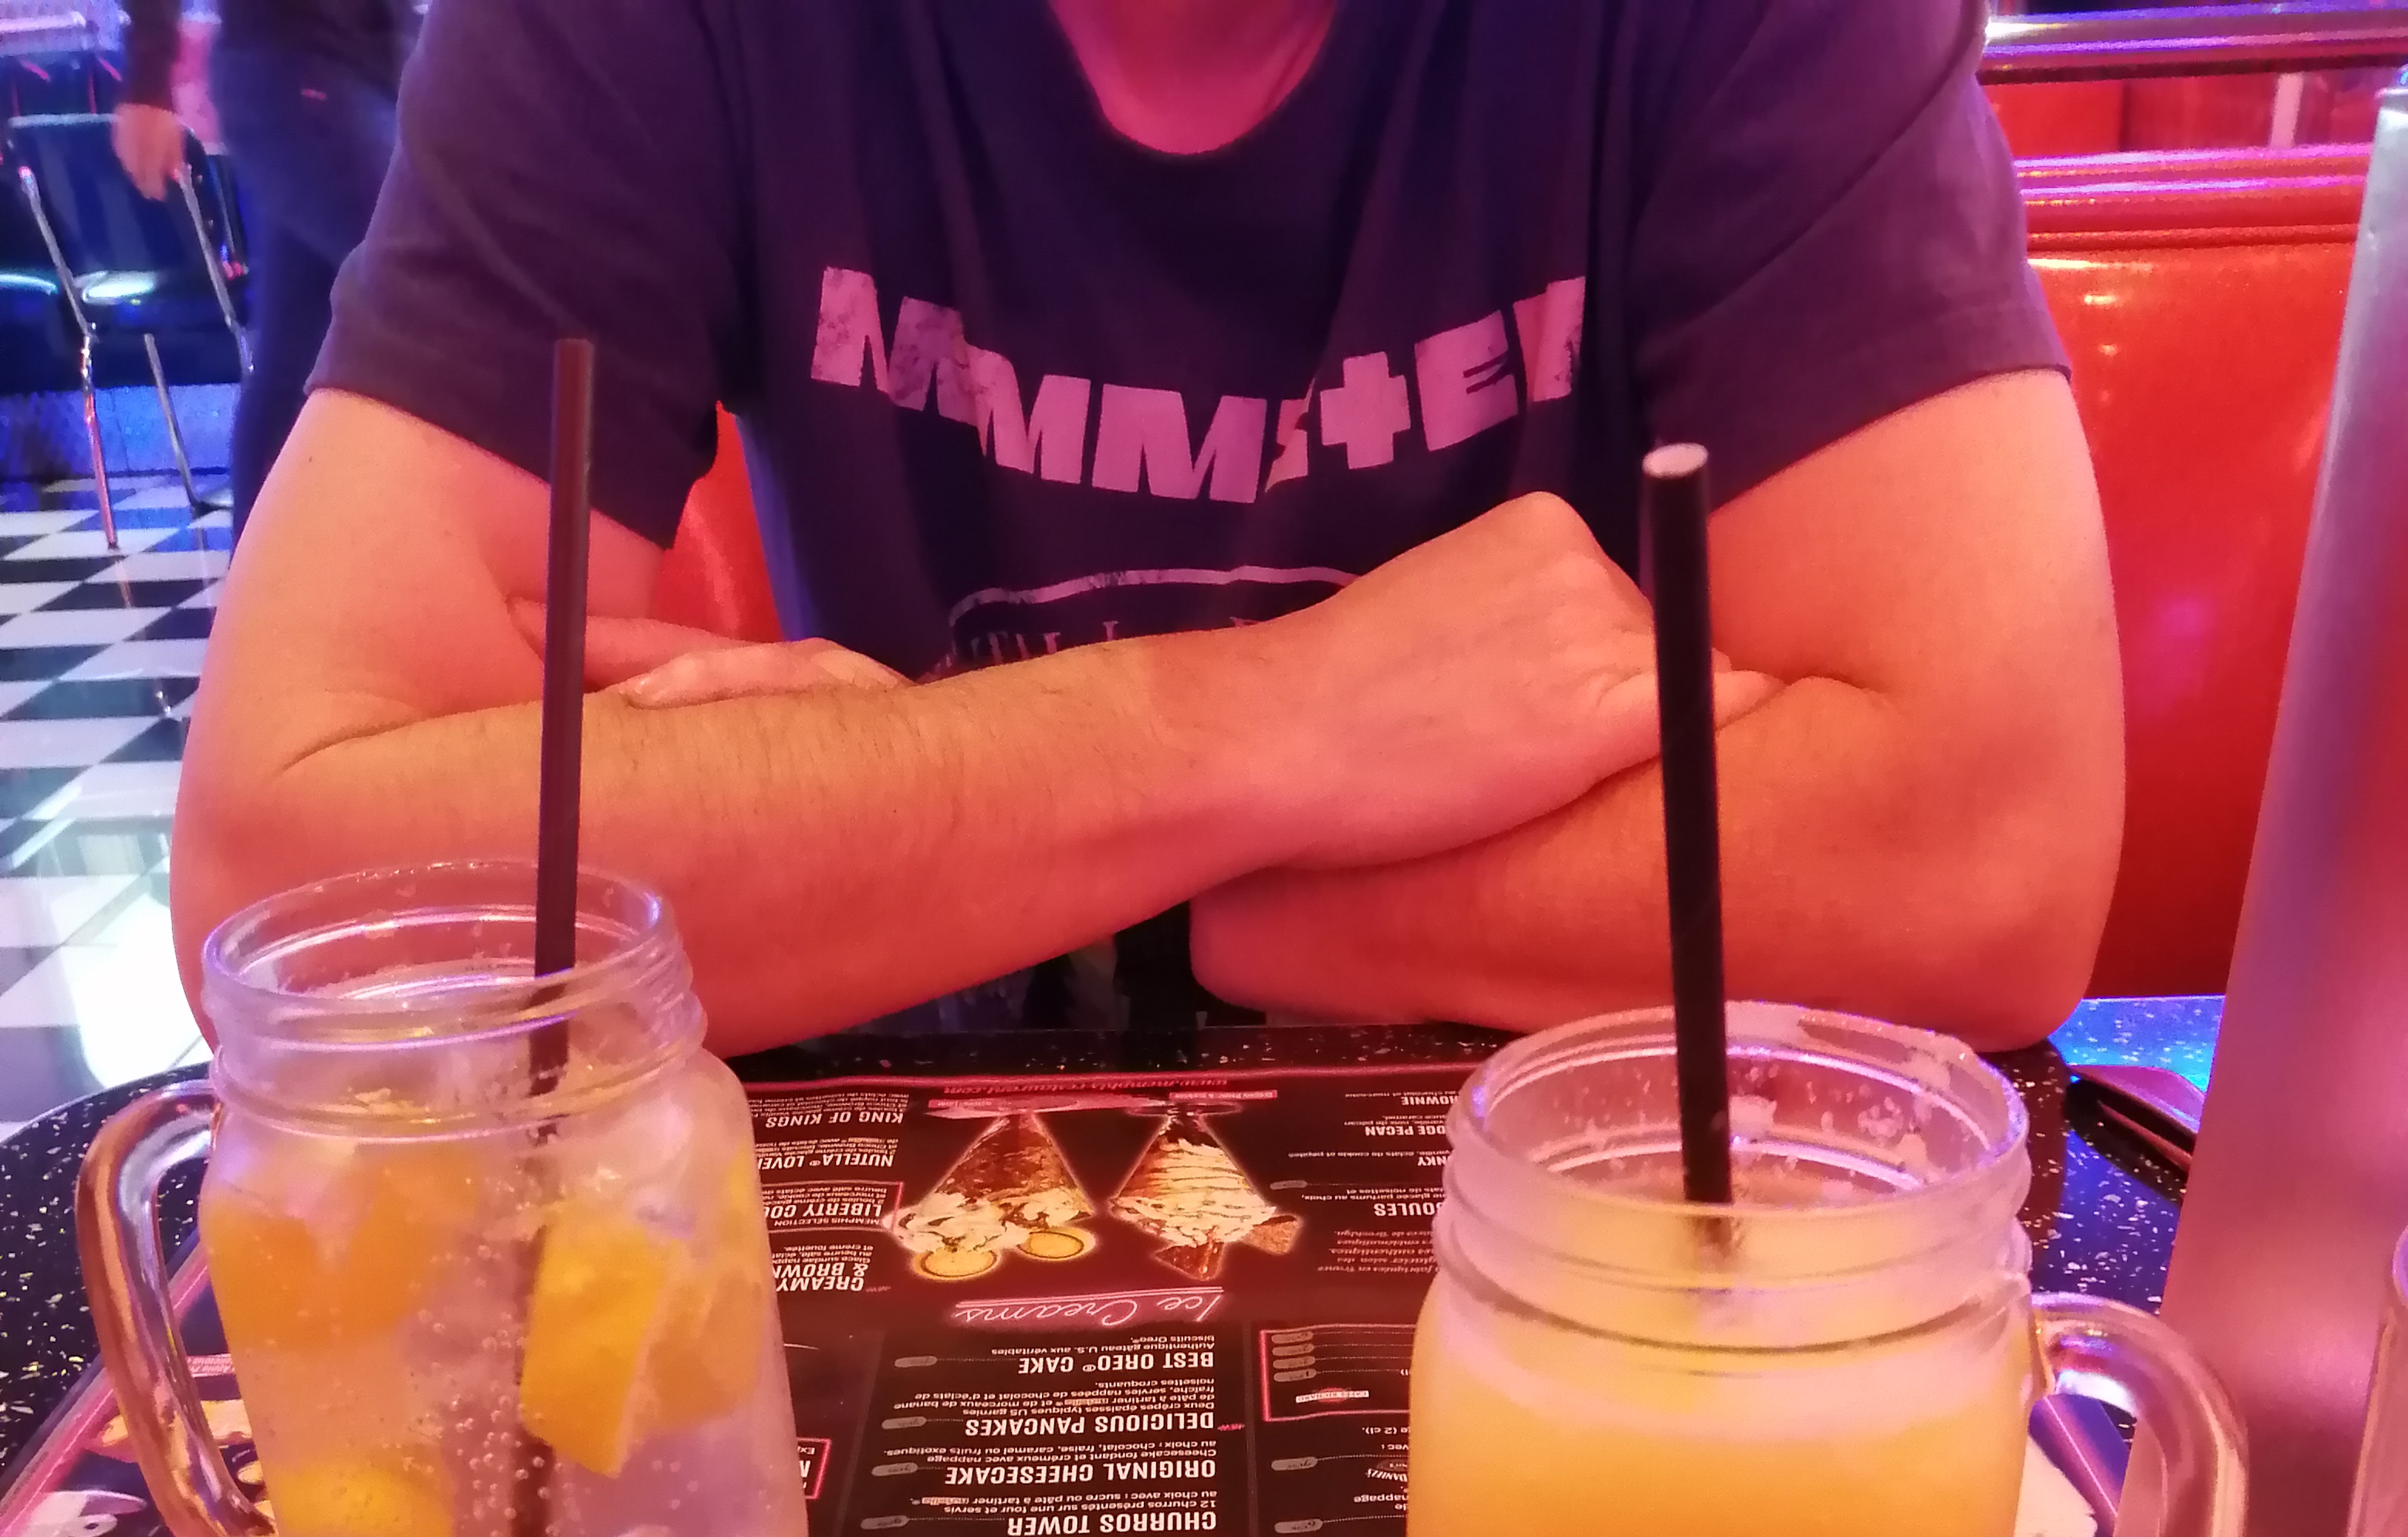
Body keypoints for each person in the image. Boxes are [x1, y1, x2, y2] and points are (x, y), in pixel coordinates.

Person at [171, 0, 2122, 1054]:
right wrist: (1289, 717)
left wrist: (1020, 871)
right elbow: (293, 884)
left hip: (1601, 1243)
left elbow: (1984, 855)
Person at [113, 0, 412, 537]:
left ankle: (262, 580)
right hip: (303, 68)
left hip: (331, 75)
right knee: (438, 297)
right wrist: (148, 76)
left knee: (289, 362)